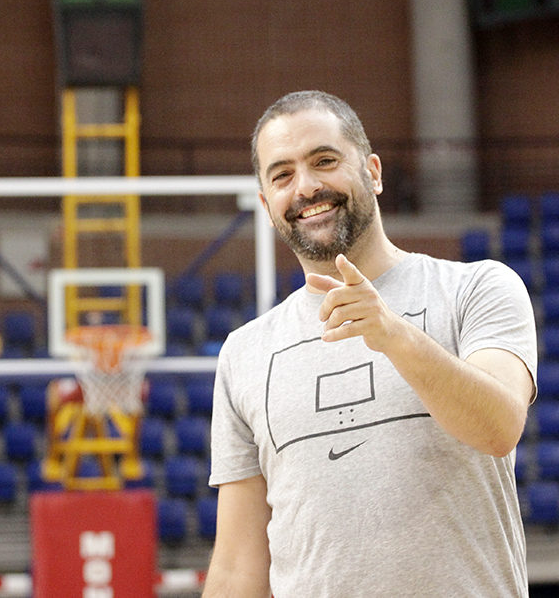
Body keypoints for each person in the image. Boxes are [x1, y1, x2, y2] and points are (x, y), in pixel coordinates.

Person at [202, 90, 537, 597]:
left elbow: (499, 428)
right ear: (267, 203)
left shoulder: (477, 288)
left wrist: (394, 334)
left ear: (373, 173)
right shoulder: (245, 353)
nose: (307, 186)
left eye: (325, 161)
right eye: (283, 174)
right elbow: (237, 566)